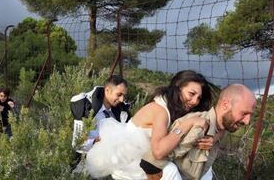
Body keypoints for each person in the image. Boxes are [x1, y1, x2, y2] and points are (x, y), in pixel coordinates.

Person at [85, 70, 214, 179]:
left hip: (145, 157)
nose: (195, 101)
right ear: (177, 88)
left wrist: (208, 139)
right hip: (127, 162)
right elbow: (158, 152)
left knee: (204, 167)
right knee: (170, 170)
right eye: (191, 94)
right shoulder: (160, 111)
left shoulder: (174, 108)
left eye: (199, 97)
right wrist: (188, 123)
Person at [140, 84, 256, 180]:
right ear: (225, 105)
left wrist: (216, 136)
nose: (247, 121)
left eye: (250, 115)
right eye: (244, 113)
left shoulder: (221, 127)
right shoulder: (199, 128)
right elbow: (156, 159)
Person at [70, 75, 131, 171]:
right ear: (107, 90)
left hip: (110, 166)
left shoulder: (120, 112)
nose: (122, 99)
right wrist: (95, 142)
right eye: (119, 94)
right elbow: (77, 144)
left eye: (124, 95)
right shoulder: (86, 109)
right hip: (84, 166)